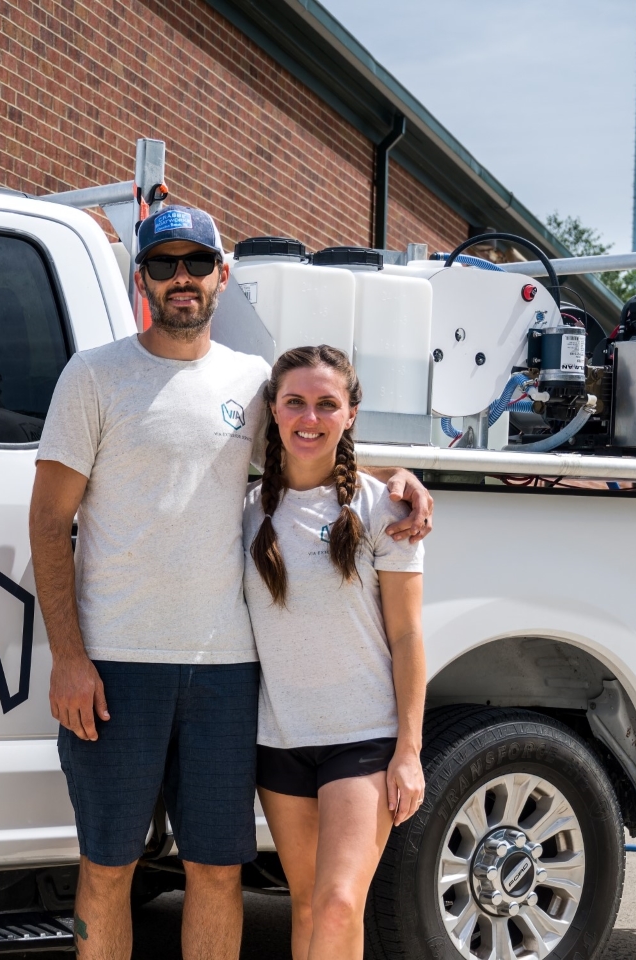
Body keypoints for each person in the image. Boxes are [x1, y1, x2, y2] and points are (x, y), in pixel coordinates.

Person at [29, 206, 433, 960]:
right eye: (163, 264)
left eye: (195, 263)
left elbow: (311, 443)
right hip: (116, 667)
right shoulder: (94, 375)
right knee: (107, 866)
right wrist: (69, 657)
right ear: (142, 278)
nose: (180, 278)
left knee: (216, 870)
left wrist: (394, 478)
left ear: (222, 274)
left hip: (226, 675)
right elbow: (50, 523)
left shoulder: (253, 381)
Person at [242, 344, 426, 960]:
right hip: (282, 738)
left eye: (327, 404)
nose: (309, 418)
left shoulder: (384, 509)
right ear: (274, 408)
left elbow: (406, 636)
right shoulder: (245, 512)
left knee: (342, 901)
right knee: (306, 906)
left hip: (364, 738)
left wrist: (408, 751)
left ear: (350, 414)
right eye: (295, 401)